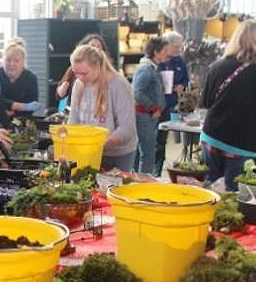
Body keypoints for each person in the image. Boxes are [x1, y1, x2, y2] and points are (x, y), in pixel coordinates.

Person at [200, 21, 256, 191]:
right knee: (234, 194)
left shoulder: (216, 66)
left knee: (208, 189)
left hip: (211, 136)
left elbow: (205, 102)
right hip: (240, 143)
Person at [67, 44, 137, 171]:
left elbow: (127, 129)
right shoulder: (79, 84)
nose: (80, 78)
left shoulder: (119, 85)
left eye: (84, 73)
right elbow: (73, 120)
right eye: (76, 73)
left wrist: (99, 146)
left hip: (117, 155)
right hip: (87, 152)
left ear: (98, 66)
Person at [132, 37, 169, 175]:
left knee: (144, 151)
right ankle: (143, 182)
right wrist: (153, 108)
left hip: (147, 116)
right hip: (145, 116)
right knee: (147, 152)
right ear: (156, 52)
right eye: (165, 50)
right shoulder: (146, 69)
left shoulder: (150, 68)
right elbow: (137, 92)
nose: (167, 53)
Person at [155, 31, 189, 177]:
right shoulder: (159, 60)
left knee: (163, 138)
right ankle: (152, 168)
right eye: (175, 46)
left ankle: (158, 167)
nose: (178, 49)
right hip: (155, 104)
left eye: (180, 47)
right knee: (153, 139)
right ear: (167, 45)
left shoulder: (180, 61)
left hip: (171, 104)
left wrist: (182, 86)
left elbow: (186, 80)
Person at [56, 34, 111, 101]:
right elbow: (59, 94)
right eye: (92, 46)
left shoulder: (107, 71)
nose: (96, 49)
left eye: (99, 46)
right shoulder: (73, 69)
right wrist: (62, 90)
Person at [0, 37, 40, 117]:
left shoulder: (31, 78)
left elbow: (33, 106)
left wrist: (12, 112)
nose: (11, 64)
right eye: (8, 60)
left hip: (23, 121)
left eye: (16, 60)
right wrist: (19, 106)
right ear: (3, 61)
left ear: (23, 62)